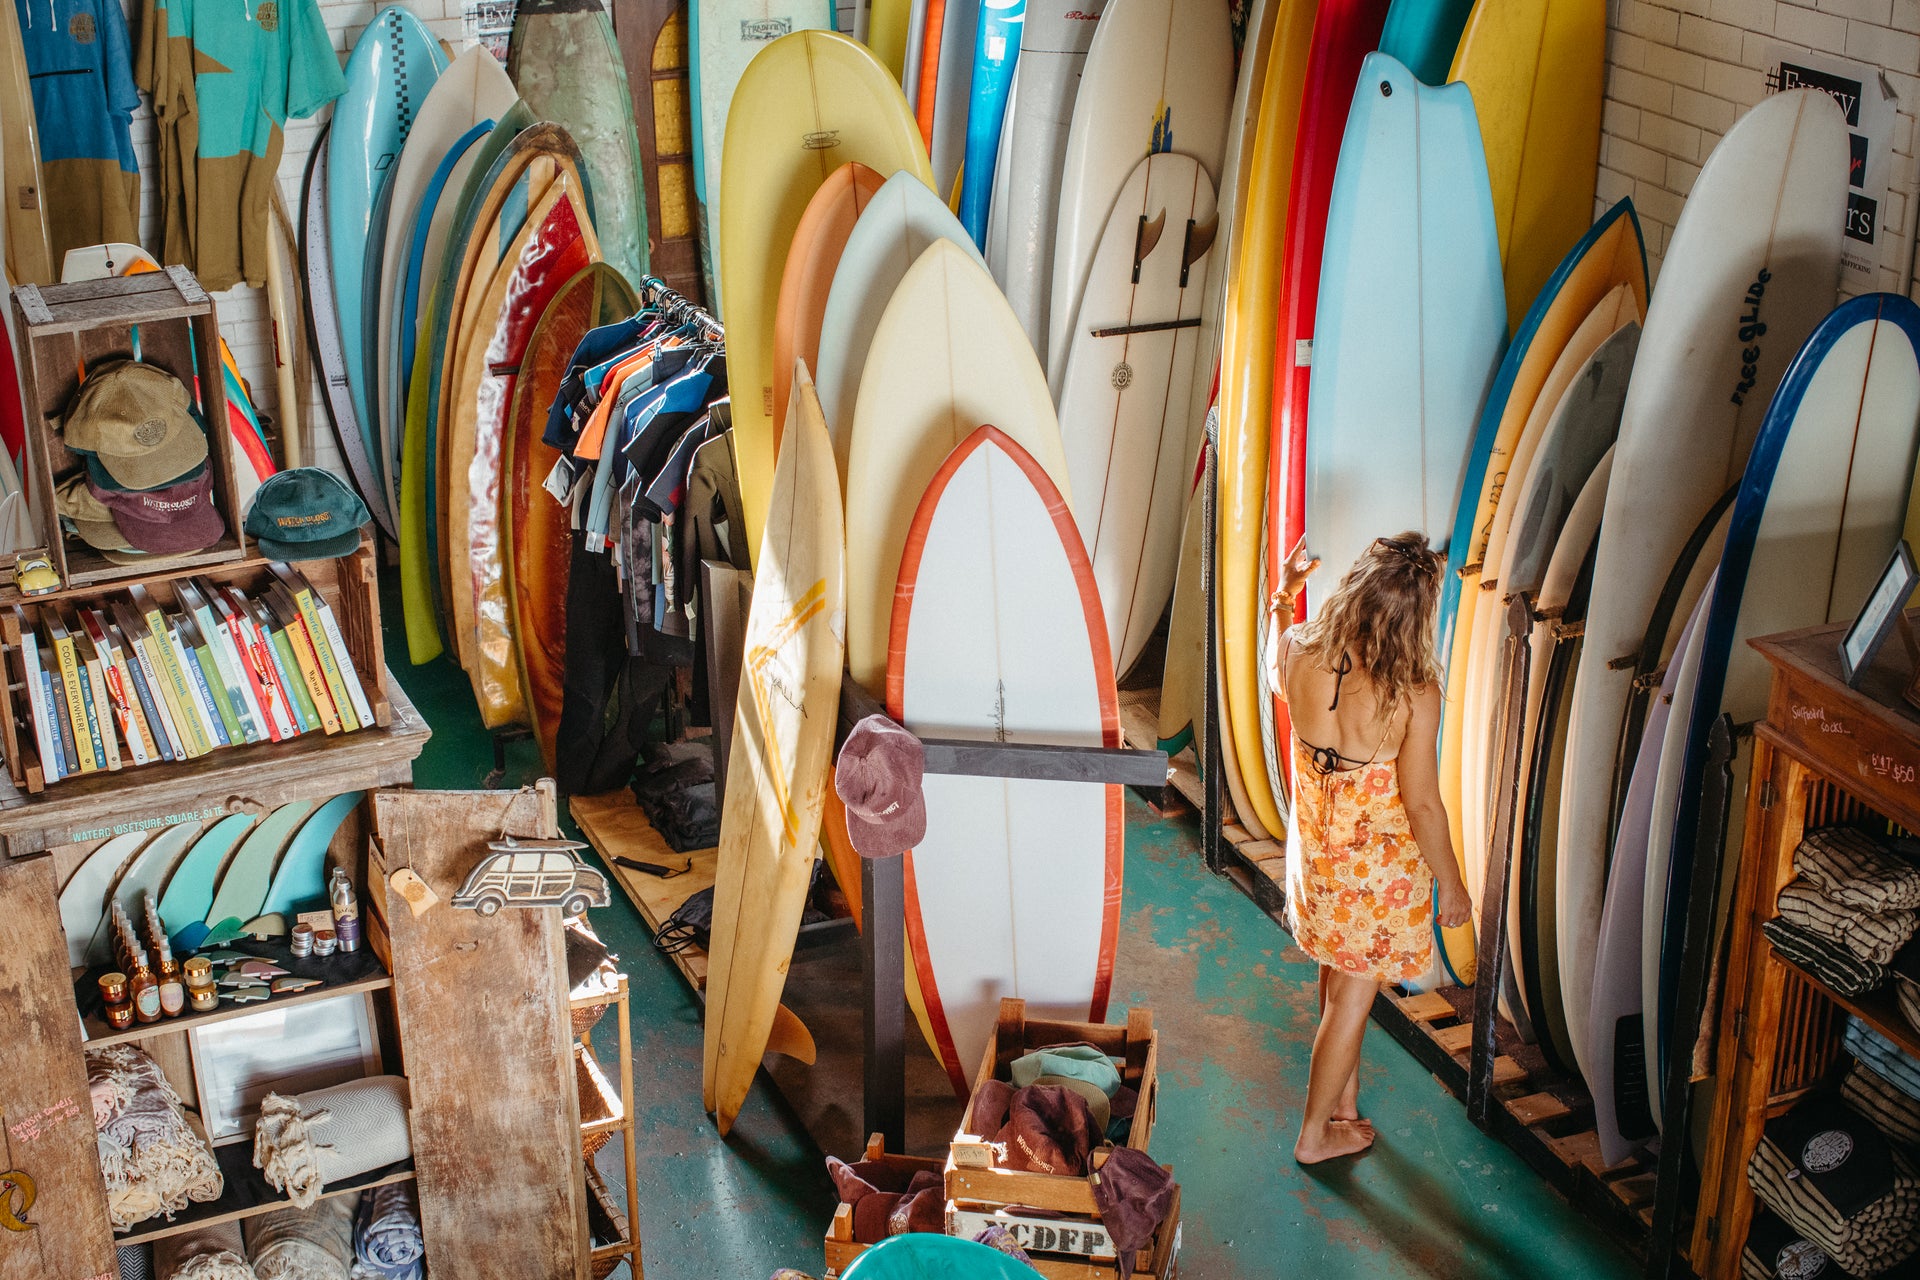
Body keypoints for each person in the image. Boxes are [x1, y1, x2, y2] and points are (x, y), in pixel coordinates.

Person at [1268, 531, 1473, 1164]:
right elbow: (1422, 804)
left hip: (1318, 858)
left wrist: (1284, 596)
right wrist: (1452, 883)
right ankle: (1313, 1135)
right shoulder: (1413, 695)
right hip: (1375, 877)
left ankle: (1342, 1102)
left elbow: (1273, 669)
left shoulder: (1301, 649)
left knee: (1335, 973)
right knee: (1353, 997)